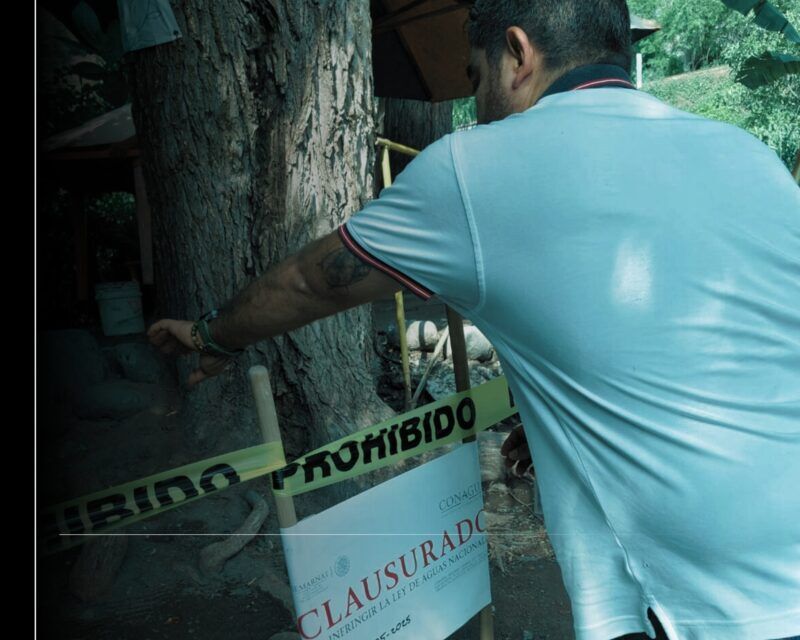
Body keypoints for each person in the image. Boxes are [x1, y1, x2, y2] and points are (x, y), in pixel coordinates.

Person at [148, 1, 800, 638]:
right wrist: (557, 423)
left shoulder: (473, 168)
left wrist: (211, 335)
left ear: (516, 53)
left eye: (474, 77)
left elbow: (308, 280)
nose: (475, 100)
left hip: (708, 602)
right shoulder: (746, 156)